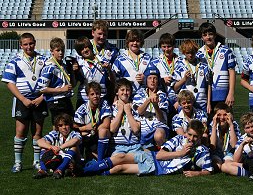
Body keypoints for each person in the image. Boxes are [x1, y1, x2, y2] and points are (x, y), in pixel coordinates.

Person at [83, 119, 213, 177]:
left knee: (119, 168)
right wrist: (180, 153)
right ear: (186, 132)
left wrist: (198, 173)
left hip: (157, 168)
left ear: (201, 136)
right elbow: (159, 155)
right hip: (152, 157)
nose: (191, 139)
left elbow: (208, 170)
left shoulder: (203, 152)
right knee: (119, 157)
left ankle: (93, 170)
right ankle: (83, 171)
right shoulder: (179, 139)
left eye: (195, 136)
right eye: (189, 134)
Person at [1, 33, 48, 173]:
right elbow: (10, 83)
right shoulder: (14, 61)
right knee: (21, 132)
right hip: (22, 100)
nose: (29, 46)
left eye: (31, 43)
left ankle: (36, 161)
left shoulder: (44, 60)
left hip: (40, 100)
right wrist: (23, 99)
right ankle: (18, 162)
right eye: (25, 44)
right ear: (21, 45)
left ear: (35, 43)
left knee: (37, 132)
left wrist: (42, 97)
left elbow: (51, 80)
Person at [197, 22, 236, 110]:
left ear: (215, 35)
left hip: (223, 95)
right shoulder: (199, 54)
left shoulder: (226, 51)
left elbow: (232, 72)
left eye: (210, 34)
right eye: (205, 35)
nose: (208, 37)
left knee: (224, 120)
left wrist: (231, 93)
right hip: (206, 95)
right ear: (201, 37)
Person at [37, 37, 75, 126]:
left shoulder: (63, 65)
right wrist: (62, 90)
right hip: (56, 101)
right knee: (59, 127)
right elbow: (42, 89)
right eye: (58, 50)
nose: (61, 53)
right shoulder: (49, 67)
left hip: (65, 99)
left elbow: (71, 84)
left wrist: (73, 71)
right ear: (52, 51)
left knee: (70, 125)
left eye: (62, 50)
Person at [34, 113, 81, 179]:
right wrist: (51, 147)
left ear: (70, 125)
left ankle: (60, 170)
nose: (64, 127)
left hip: (74, 161)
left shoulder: (74, 133)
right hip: (58, 159)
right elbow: (39, 141)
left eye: (66, 124)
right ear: (57, 127)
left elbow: (76, 140)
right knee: (45, 146)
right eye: (60, 125)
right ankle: (43, 170)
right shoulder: (55, 133)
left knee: (74, 147)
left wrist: (60, 148)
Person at [132, 65, 169, 149]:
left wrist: (156, 106)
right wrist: (149, 100)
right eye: (150, 78)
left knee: (158, 135)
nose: (152, 81)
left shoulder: (162, 95)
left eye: (155, 78)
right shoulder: (139, 94)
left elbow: (161, 119)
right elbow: (140, 111)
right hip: (144, 128)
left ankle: (162, 154)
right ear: (146, 80)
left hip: (159, 126)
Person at [74, 82, 112, 162]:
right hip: (86, 136)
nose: (95, 96)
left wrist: (92, 130)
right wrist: (85, 128)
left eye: (97, 93)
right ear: (87, 96)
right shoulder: (82, 109)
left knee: (103, 131)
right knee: (76, 136)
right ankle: (79, 159)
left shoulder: (104, 104)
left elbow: (106, 124)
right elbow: (75, 128)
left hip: (97, 134)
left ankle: (100, 161)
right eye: (92, 94)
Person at [74, 36, 116, 107]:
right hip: (84, 99)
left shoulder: (103, 60)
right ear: (79, 52)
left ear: (90, 47)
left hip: (101, 98)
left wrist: (109, 69)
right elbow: (74, 84)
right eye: (82, 49)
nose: (85, 50)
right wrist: (74, 71)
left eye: (86, 47)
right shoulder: (78, 63)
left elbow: (112, 81)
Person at [173, 39, 211, 113]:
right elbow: (175, 88)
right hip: (185, 103)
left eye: (193, 53)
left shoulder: (203, 66)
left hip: (201, 101)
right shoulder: (179, 65)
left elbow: (209, 85)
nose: (190, 55)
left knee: (202, 123)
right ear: (183, 53)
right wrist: (184, 79)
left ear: (196, 51)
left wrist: (209, 103)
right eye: (188, 53)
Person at [112, 29, 152, 95]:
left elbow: (155, 77)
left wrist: (145, 79)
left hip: (144, 97)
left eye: (137, 41)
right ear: (127, 42)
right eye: (132, 41)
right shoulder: (119, 60)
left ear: (141, 42)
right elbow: (115, 81)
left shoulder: (148, 58)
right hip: (126, 97)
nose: (135, 43)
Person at [109, 78, 142, 155]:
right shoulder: (111, 107)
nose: (125, 92)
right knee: (119, 161)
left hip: (134, 146)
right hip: (117, 147)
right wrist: (120, 111)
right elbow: (112, 129)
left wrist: (128, 112)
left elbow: (136, 129)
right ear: (117, 92)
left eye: (128, 90)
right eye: (122, 90)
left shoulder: (135, 107)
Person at [209, 102, 241, 172]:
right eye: (219, 115)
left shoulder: (234, 124)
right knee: (218, 166)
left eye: (225, 115)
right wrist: (214, 126)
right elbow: (213, 146)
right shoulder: (212, 124)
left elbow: (234, 145)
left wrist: (231, 125)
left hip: (229, 152)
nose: (222, 118)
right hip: (216, 152)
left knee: (227, 165)